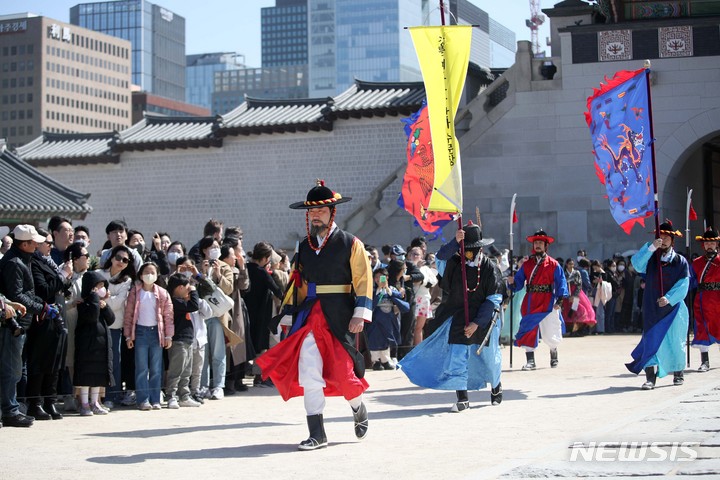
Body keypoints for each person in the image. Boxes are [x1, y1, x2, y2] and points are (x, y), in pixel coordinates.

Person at [255, 180, 372, 451]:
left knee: (344, 375)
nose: (315, 215)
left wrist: (360, 314)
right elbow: (297, 282)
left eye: (321, 210)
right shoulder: (304, 246)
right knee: (309, 372)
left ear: (333, 212)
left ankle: (358, 406)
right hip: (310, 314)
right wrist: (288, 313)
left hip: (340, 314)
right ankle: (317, 433)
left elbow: (364, 280)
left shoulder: (350, 243)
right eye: (311, 212)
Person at [400, 222, 504, 411]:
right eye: (465, 249)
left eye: (472, 249)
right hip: (459, 314)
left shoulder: (490, 268)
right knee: (457, 356)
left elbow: (494, 298)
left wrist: (476, 323)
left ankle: (496, 386)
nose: (468, 253)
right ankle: (462, 398)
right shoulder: (455, 263)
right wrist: (454, 243)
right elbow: (440, 258)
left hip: (484, 318)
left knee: (489, 358)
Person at [0, 225, 59, 427]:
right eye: (34, 242)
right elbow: (16, 296)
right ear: (24, 244)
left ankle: (10, 408)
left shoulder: (22, 259)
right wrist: (41, 308)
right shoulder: (15, 263)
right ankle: (9, 411)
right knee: (12, 370)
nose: (38, 245)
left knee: (16, 369)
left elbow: (26, 292)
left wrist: (42, 306)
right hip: (11, 324)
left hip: (22, 322)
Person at [627, 220, 689, 389]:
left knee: (675, 341)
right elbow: (637, 264)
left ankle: (678, 373)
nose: (663, 239)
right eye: (660, 236)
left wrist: (669, 298)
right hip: (652, 306)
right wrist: (651, 247)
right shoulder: (651, 258)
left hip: (673, 308)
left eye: (667, 237)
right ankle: (650, 377)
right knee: (651, 341)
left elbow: (683, 284)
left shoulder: (680, 261)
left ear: (672, 240)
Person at [509, 229, 568, 370]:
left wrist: (560, 300)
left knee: (551, 329)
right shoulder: (527, 264)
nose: (538, 245)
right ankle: (531, 361)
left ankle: (553, 353)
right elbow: (517, 283)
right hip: (530, 300)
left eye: (541, 243)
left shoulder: (553, 264)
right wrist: (512, 282)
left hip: (548, 301)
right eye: (536, 243)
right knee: (528, 328)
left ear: (546, 246)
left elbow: (561, 282)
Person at [123, 262, 174, 410]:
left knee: (156, 368)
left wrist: (168, 336)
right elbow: (129, 314)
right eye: (146, 272)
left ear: (157, 275)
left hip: (156, 333)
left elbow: (168, 316)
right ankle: (143, 399)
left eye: (153, 272)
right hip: (140, 332)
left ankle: (155, 399)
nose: (149, 275)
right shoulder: (135, 292)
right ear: (140, 275)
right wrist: (128, 336)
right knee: (141, 367)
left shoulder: (163, 293)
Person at [98, 245, 136, 409]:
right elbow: (94, 297)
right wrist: (108, 298)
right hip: (97, 323)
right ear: (111, 258)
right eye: (118, 258)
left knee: (115, 361)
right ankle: (98, 396)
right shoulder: (99, 274)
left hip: (115, 324)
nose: (121, 262)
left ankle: (112, 395)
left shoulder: (127, 280)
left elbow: (117, 303)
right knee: (99, 360)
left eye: (125, 260)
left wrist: (105, 299)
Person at [74, 270, 115, 416]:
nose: (102, 288)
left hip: (101, 346)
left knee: (98, 375)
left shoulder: (100, 303)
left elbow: (111, 319)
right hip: (87, 345)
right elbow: (92, 316)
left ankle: (95, 402)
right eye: (98, 286)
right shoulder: (85, 303)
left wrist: (105, 305)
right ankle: (84, 404)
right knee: (86, 375)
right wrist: (94, 298)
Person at [165, 273, 202, 408]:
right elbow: (194, 305)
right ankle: (171, 396)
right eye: (187, 287)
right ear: (180, 288)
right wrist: (194, 290)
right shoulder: (174, 301)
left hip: (187, 339)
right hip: (178, 340)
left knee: (187, 371)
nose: (189, 290)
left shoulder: (180, 301)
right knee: (176, 371)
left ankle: (184, 396)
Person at [689, 227, 720, 372]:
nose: (709, 245)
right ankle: (705, 362)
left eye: (712, 243)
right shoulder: (697, 262)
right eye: (707, 243)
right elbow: (691, 280)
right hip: (701, 299)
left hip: (718, 298)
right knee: (701, 328)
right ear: (703, 245)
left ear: (716, 244)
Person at [366, 268, 407, 370]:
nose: (378, 279)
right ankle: (375, 360)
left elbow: (399, 296)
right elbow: (371, 303)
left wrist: (388, 290)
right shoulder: (372, 290)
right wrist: (380, 290)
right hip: (376, 319)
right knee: (375, 339)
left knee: (386, 340)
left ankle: (385, 360)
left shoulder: (391, 289)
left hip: (388, 319)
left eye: (381, 277)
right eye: (376, 277)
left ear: (386, 277)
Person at [561, 258, 596, 336]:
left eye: (572, 264)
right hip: (566, 294)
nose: (571, 265)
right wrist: (567, 296)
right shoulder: (563, 273)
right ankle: (569, 330)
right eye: (569, 264)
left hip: (577, 294)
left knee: (579, 310)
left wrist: (574, 296)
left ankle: (578, 330)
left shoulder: (577, 273)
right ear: (566, 264)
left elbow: (579, 285)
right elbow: (562, 285)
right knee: (567, 312)